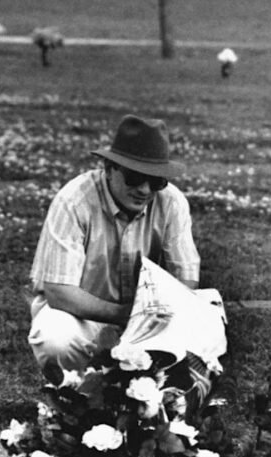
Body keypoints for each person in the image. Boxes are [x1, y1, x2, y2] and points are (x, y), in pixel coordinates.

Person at [27, 114, 200, 376]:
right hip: (83, 316)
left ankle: (143, 385)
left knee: (201, 325)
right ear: (109, 169)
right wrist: (125, 314)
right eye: (134, 177)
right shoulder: (73, 201)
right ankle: (81, 387)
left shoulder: (172, 202)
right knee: (55, 339)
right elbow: (59, 292)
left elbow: (186, 280)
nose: (145, 190)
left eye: (156, 181)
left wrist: (158, 317)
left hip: (149, 319)